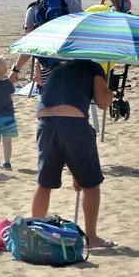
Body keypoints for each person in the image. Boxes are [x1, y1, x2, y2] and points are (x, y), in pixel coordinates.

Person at [31, 59, 116, 249]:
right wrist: (110, 93)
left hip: (45, 122)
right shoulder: (93, 67)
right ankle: (91, 238)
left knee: (44, 183)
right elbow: (102, 103)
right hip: (74, 123)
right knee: (91, 184)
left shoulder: (57, 68)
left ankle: (35, 232)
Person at [9, 0, 82, 86]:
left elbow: (29, 46)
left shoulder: (32, 10)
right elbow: (83, 28)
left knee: (50, 101)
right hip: (74, 61)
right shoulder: (67, 0)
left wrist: (16, 69)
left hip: (50, 65)